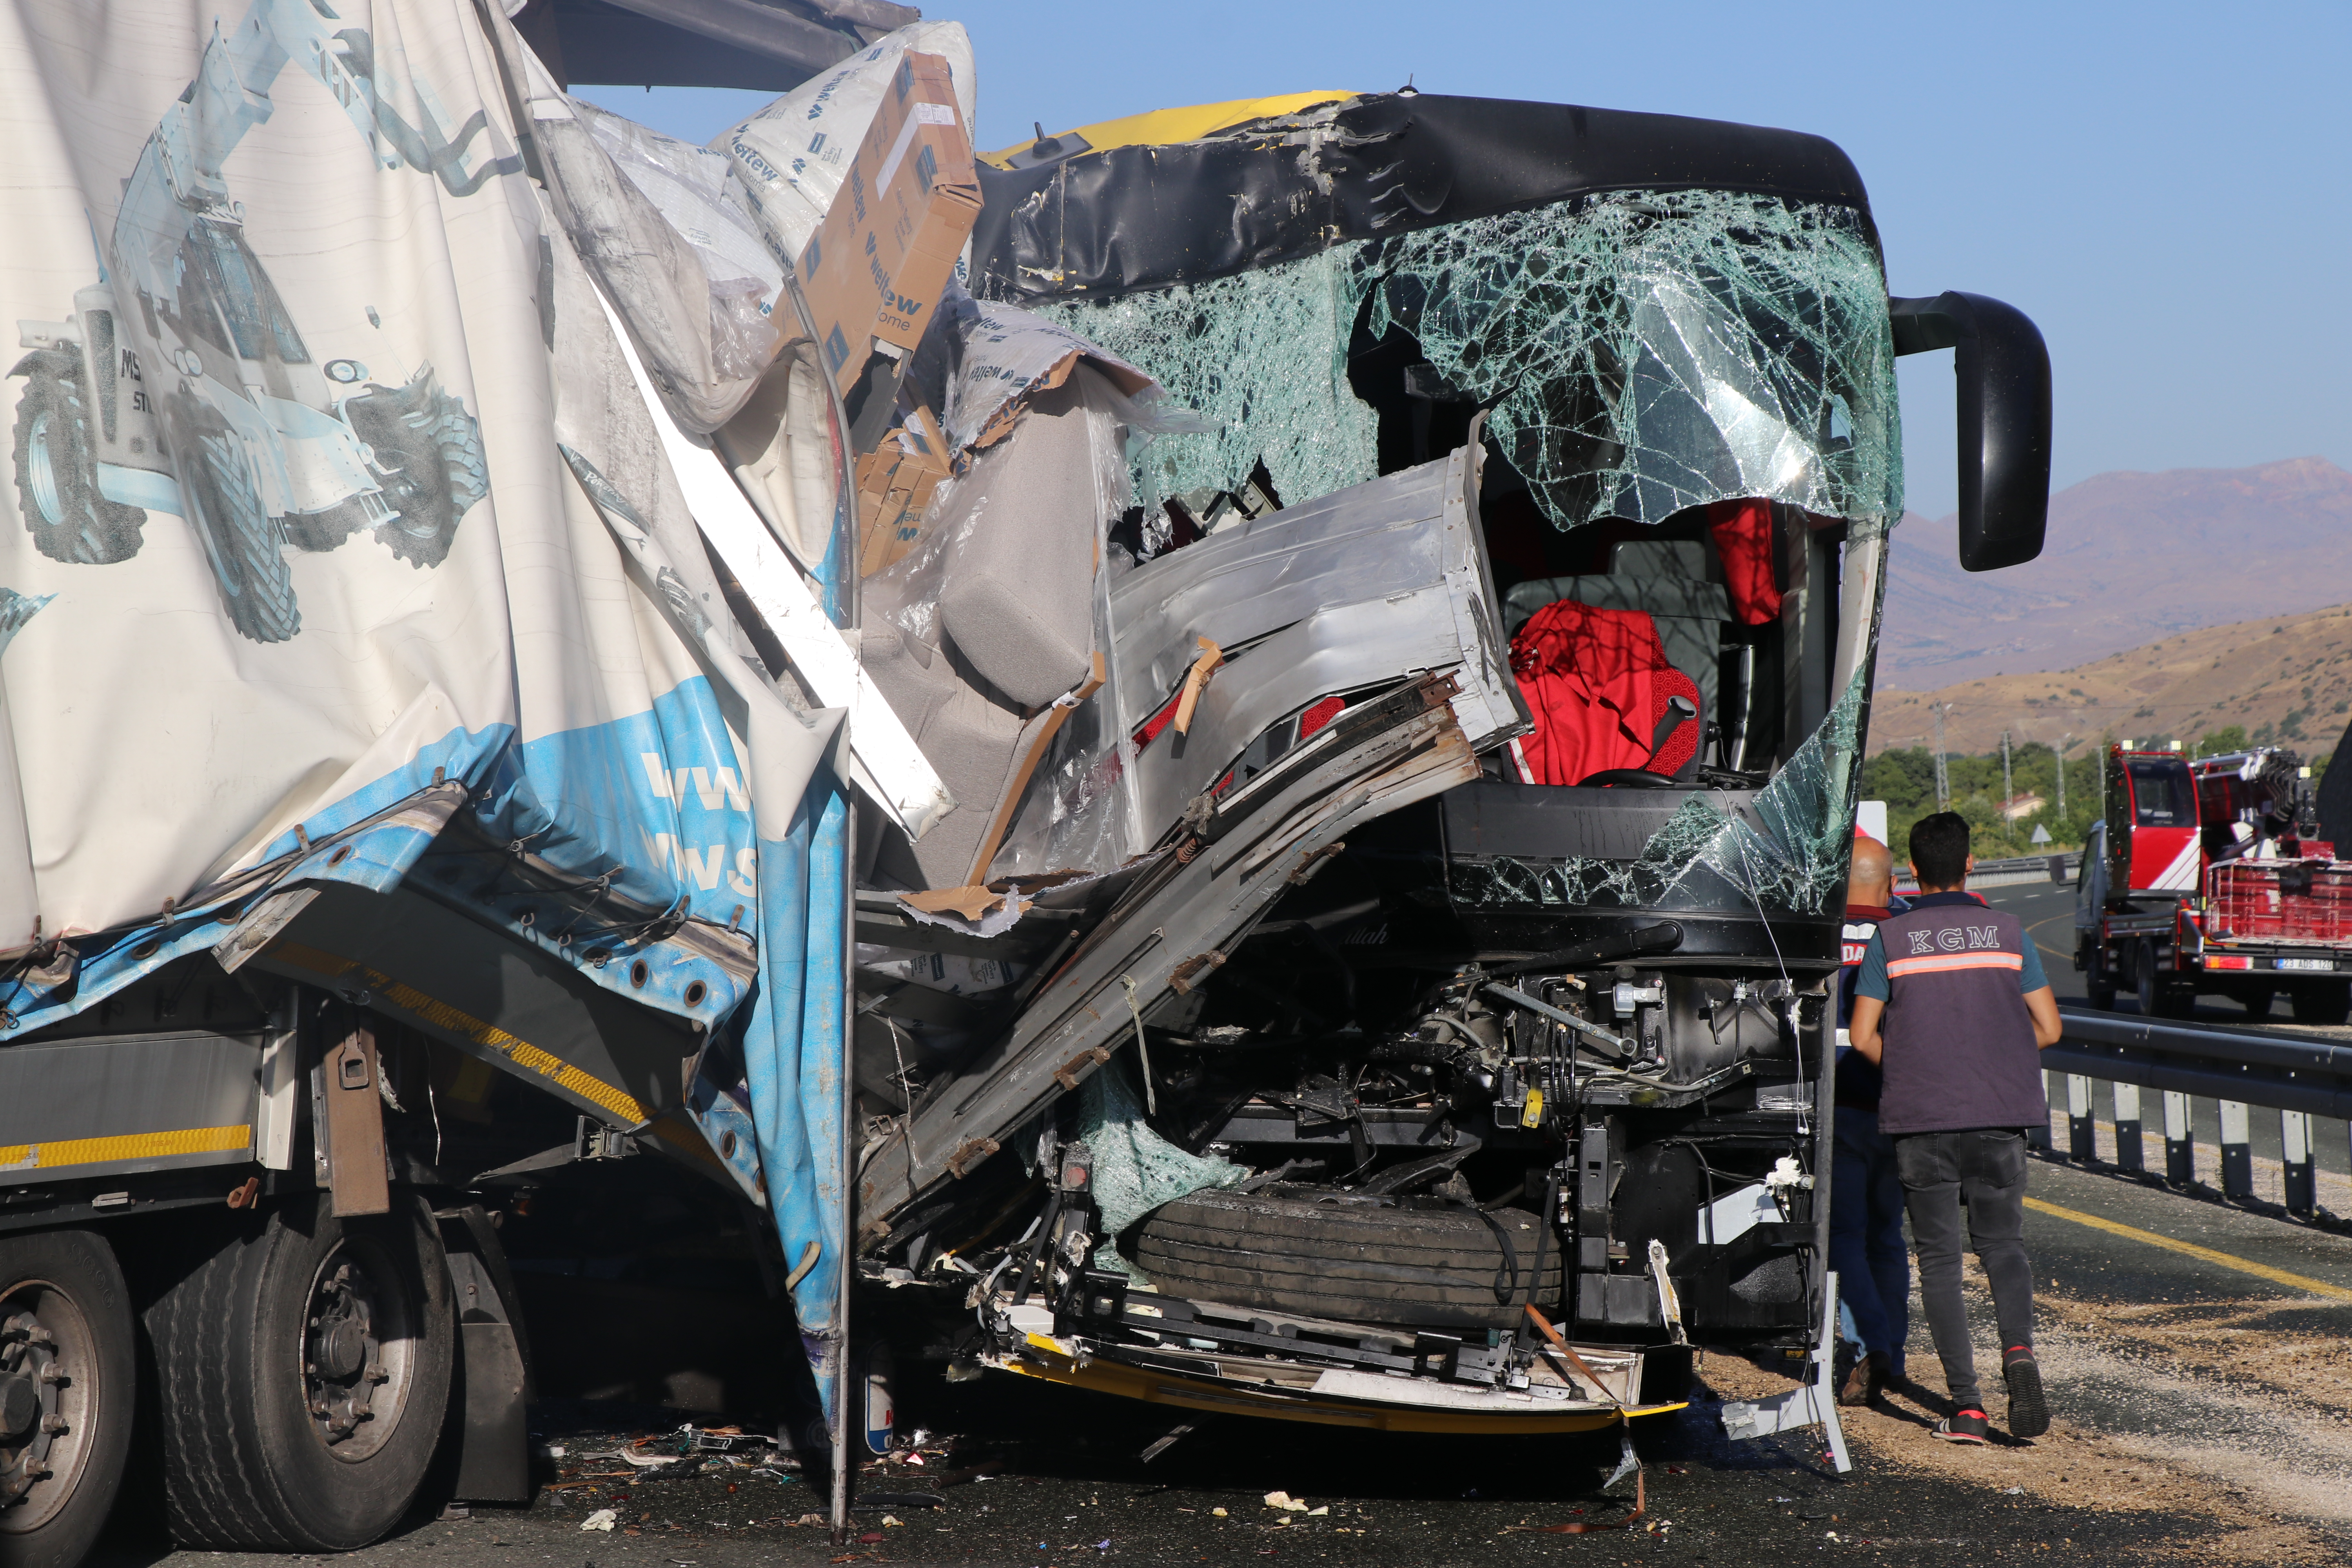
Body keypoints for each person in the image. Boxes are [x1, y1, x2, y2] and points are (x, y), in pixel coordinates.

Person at [1847, 811, 2063, 1445]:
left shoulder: (1894, 939)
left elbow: (1863, 1036)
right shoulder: (2008, 932)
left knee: (1940, 1259)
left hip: (1924, 1119)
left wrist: (1918, 1069)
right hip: (2000, 1113)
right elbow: (2049, 1030)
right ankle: (2020, 1354)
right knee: (2003, 1246)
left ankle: (1967, 1408)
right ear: (1970, 865)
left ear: (1912, 872)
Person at [1830, 833, 1909, 1405]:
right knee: (1888, 1239)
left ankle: (1867, 1348)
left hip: (1836, 1110)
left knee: (1842, 1239)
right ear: (1890, 884)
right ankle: (1894, 1357)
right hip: (1902, 1107)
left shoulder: (1813, 930)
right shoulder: (1906, 933)